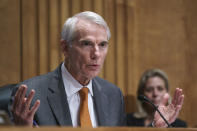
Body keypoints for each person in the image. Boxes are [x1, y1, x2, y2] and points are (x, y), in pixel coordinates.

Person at [9, 11, 184, 127]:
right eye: (86, 44)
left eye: (102, 45)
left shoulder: (113, 95)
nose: (96, 54)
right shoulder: (31, 94)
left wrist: (155, 128)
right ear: (65, 48)